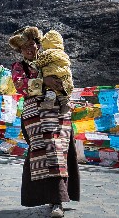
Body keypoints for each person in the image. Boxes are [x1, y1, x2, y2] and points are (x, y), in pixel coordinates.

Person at [9, 26, 80, 218]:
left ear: (38, 45)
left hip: (58, 112)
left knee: (60, 151)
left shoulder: (51, 60)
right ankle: (53, 198)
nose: (29, 50)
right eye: (25, 48)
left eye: (32, 45)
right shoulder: (19, 67)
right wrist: (44, 82)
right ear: (20, 51)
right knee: (45, 153)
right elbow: (21, 86)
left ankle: (59, 199)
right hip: (35, 116)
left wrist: (60, 85)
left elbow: (66, 78)